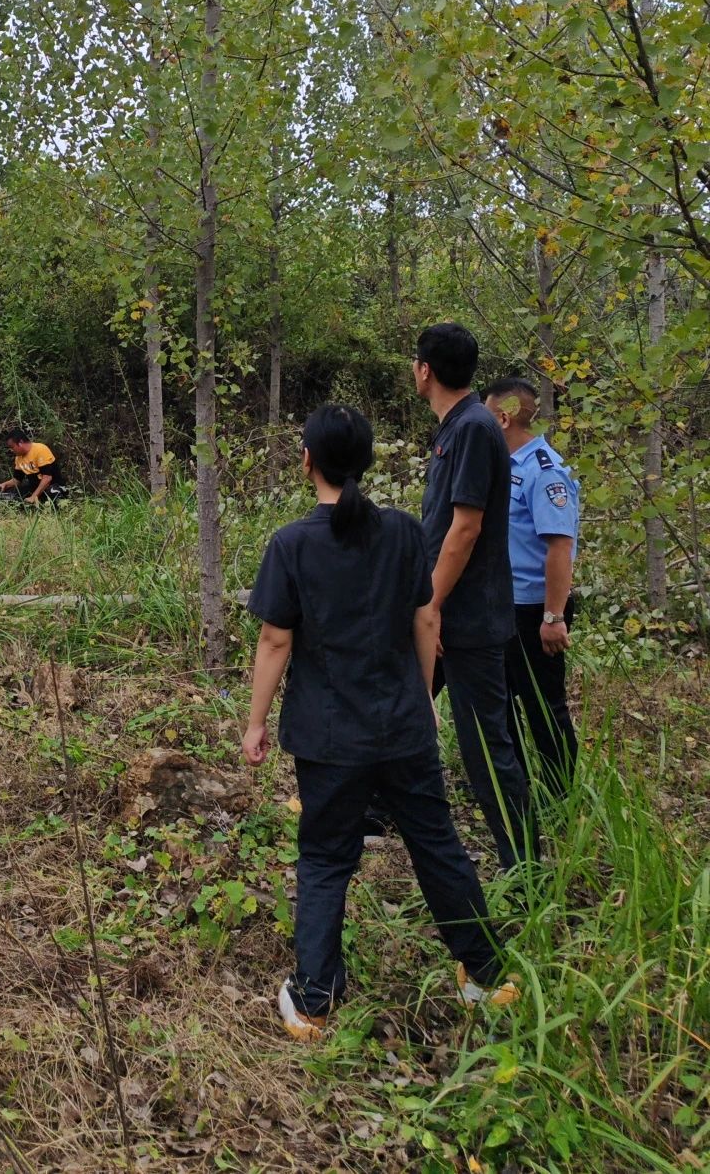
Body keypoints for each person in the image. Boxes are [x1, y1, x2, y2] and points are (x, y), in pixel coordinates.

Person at [242, 404, 518, 1041]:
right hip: (402, 727)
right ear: (366, 462)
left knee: (323, 858)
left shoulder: (291, 544)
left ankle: (313, 1003)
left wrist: (255, 723)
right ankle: (484, 975)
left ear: (307, 460)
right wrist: (420, 697)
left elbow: (275, 642)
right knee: (436, 843)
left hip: (330, 735)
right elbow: (426, 620)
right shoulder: (401, 532)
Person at [414, 323, 537, 869]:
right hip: (447, 614)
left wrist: (432, 608)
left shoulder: (471, 429)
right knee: (400, 701)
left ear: (425, 370)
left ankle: (527, 868)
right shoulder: (459, 427)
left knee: (486, 747)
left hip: (467, 621)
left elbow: (465, 529)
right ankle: (375, 811)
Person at [484, 377, 581, 798]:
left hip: (535, 611)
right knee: (500, 703)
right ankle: (516, 789)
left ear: (503, 418)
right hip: (502, 606)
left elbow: (560, 546)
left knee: (543, 708)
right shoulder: (504, 467)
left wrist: (553, 616)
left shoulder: (545, 471)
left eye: (487, 417)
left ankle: (562, 797)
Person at [0, 428, 67, 507]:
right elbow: (17, 480)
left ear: (21, 442)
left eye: (12, 447)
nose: (11, 450)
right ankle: (33, 505)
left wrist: (34, 497)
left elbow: (47, 478)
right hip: (35, 489)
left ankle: (52, 507)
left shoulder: (40, 450)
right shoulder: (18, 458)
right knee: (8, 494)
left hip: (52, 486)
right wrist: (5, 485)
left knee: (53, 491)